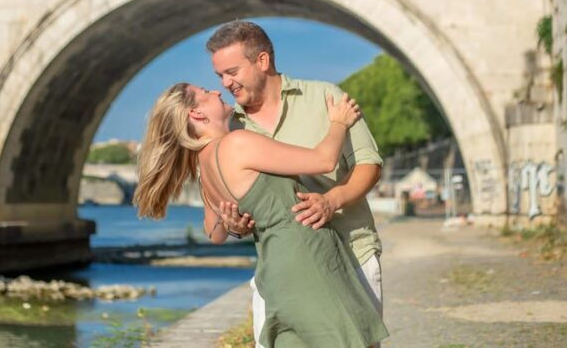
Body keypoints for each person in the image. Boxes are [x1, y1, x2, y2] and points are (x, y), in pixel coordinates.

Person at [134, 83, 388, 346]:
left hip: (276, 266)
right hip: (305, 259)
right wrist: (338, 123)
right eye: (206, 92)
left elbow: (215, 234)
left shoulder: (205, 166)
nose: (217, 92)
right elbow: (323, 160)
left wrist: (235, 226)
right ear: (197, 114)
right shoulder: (237, 143)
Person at [206, 20, 385, 347]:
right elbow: (224, 218)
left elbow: (369, 164)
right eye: (219, 76)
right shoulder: (231, 126)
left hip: (351, 250)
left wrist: (333, 199)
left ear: (262, 60)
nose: (225, 83)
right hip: (280, 273)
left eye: (232, 71)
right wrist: (236, 226)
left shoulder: (325, 97)